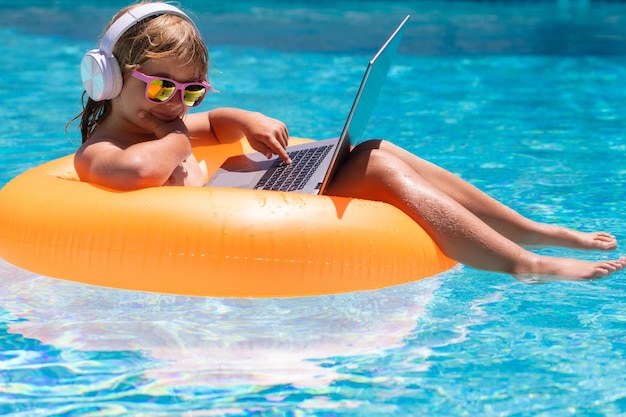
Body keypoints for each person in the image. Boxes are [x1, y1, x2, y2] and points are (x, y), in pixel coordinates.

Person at [71, 1, 626, 282]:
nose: (175, 103)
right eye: (163, 86)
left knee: (376, 150)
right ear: (109, 78)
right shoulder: (104, 149)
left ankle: (535, 230)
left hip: (244, 199)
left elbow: (214, 125)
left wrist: (245, 118)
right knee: (378, 175)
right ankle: (525, 264)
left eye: (192, 91)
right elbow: (135, 174)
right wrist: (178, 129)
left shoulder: (160, 121)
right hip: (229, 234)